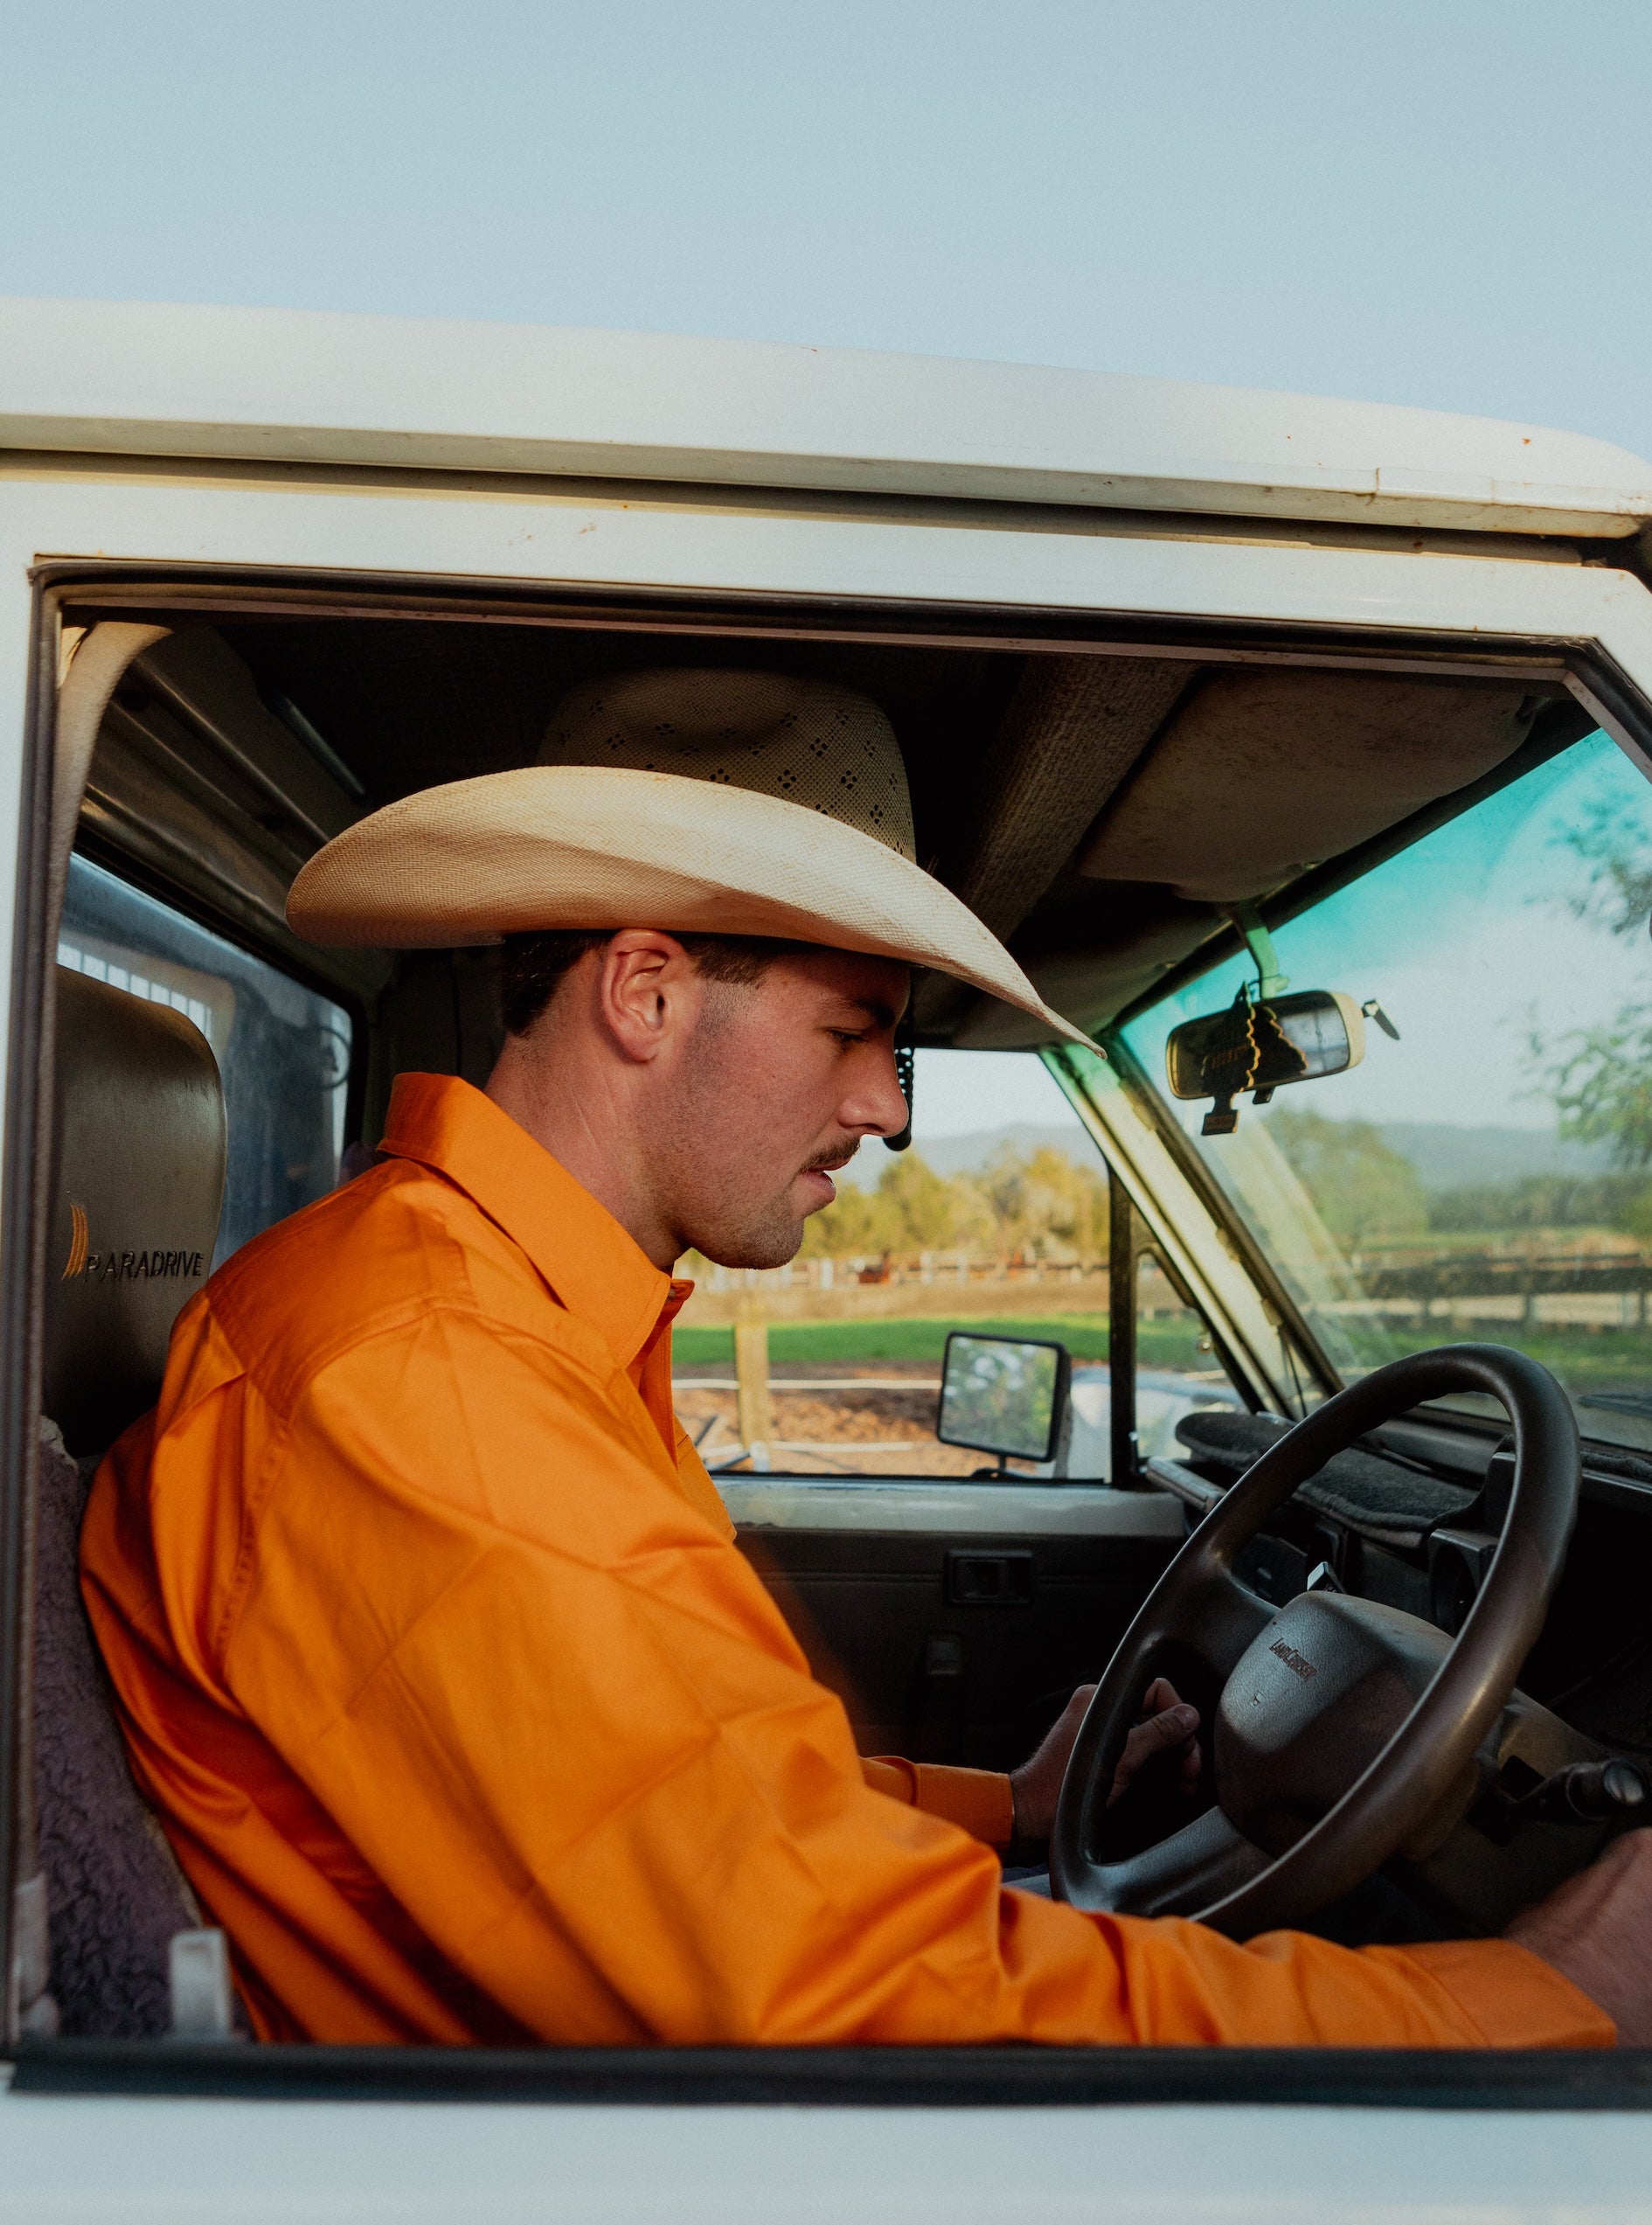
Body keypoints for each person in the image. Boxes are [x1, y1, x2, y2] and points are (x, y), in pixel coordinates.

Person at [80, 669, 1650, 2048]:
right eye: (854, 1031)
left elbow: (663, 1800)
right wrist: (1536, 1997)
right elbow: (821, 1989)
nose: (890, 1113)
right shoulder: (422, 1373)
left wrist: (1008, 1811)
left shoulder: (492, 1316)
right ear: (646, 993)